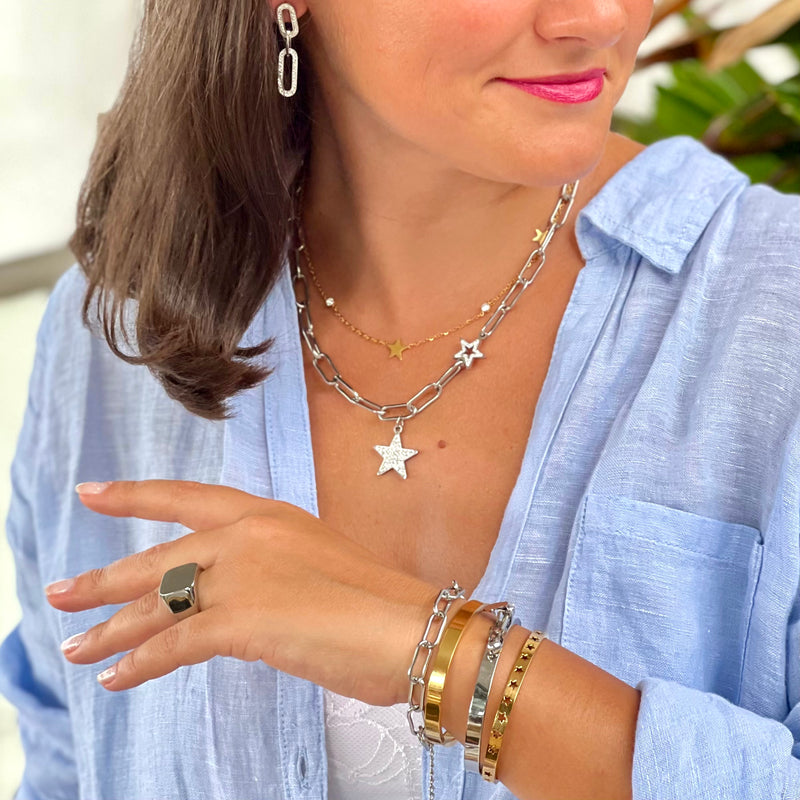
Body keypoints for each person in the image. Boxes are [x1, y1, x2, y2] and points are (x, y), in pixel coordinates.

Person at [1, 0, 800, 798]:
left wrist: (437, 654)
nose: (597, 18)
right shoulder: (116, 334)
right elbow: (66, 763)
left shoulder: (775, 318)